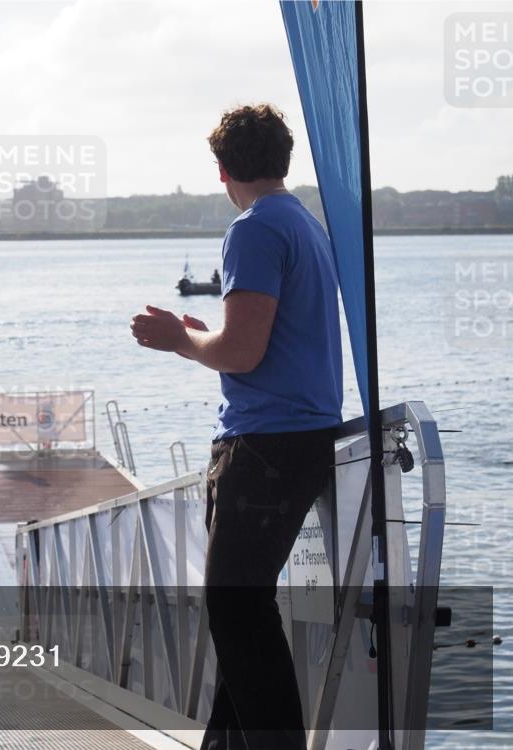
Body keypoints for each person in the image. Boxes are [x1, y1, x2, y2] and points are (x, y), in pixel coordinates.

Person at [131, 103, 342, 750]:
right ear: (283, 159)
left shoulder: (253, 230)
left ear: (222, 169)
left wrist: (176, 341)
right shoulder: (303, 224)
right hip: (295, 437)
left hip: (266, 445)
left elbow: (243, 354)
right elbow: (257, 340)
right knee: (240, 613)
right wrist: (205, 337)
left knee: (236, 608)